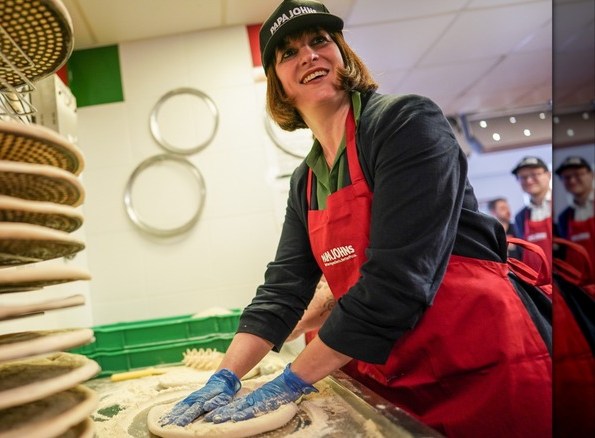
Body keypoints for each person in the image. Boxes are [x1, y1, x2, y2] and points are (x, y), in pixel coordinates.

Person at [159, 1, 551, 437]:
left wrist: (289, 381)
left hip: (480, 362)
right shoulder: (306, 181)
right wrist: (225, 376)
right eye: (289, 53)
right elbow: (283, 290)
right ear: (278, 87)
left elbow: (396, 281)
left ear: (342, 54)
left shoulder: (405, 123)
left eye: (319, 40)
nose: (309, 55)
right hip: (396, 373)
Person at [512, 156, 556, 272]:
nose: (529, 181)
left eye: (534, 174)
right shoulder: (520, 217)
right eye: (523, 177)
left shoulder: (563, 206)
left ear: (548, 175)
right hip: (535, 280)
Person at [555, 156, 594, 271]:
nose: (572, 181)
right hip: (578, 281)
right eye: (567, 177)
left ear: (591, 175)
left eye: (578, 174)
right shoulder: (564, 217)